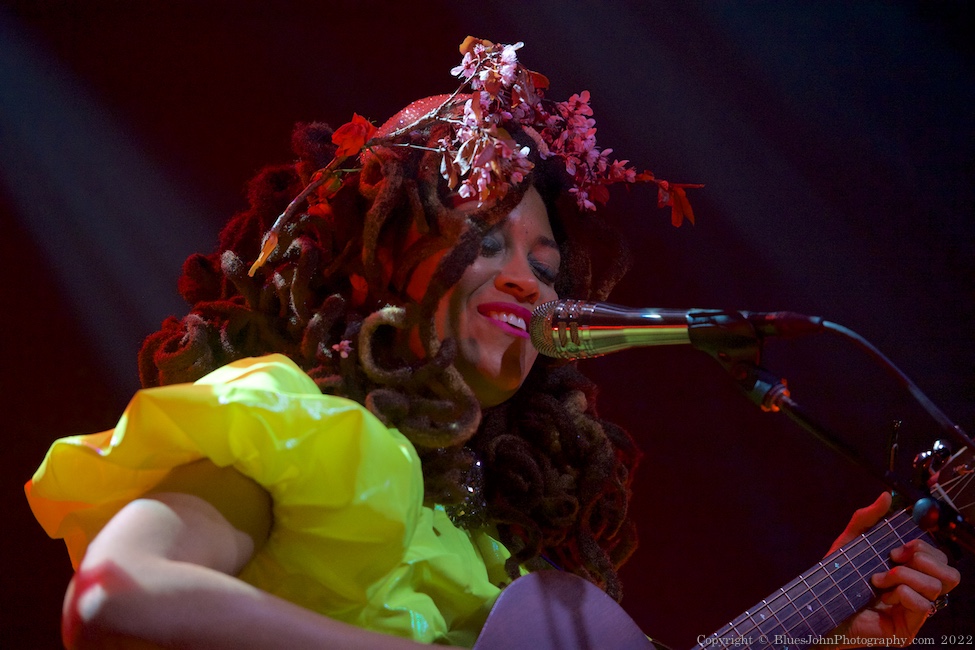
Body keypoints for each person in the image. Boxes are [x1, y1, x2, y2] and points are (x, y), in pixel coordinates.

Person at [26, 37, 958, 649]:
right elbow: (120, 595)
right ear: (380, 262)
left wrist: (841, 634)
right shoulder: (295, 424)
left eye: (546, 263)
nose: (526, 280)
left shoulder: (501, 565)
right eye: (485, 239)